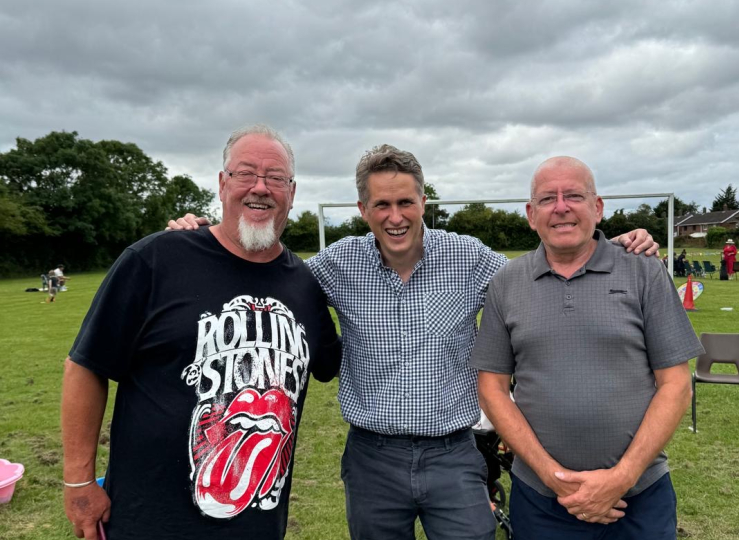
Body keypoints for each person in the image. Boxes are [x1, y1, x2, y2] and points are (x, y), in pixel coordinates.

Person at [169, 146, 659, 540]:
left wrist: (611, 245)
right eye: (381, 204)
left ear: (424, 201)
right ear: (363, 209)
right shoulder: (338, 264)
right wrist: (202, 240)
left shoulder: (467, 256)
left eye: (406, 202)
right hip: (372, 458)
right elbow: (264, 279)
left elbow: (542, 274)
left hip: (455, 454)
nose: (395, 215)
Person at [61, 125, 342, 540]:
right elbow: (86, 366)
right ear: (222, 183)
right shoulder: (156, 259)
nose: (260, 188)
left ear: (292, 192)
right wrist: (78, 482)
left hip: (257, 525)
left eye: (275, 178)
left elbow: (333, 362)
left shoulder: (304, 283)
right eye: (245, 173)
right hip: (149, 521)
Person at [471, 156, 704, 540]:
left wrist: (621, 477)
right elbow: (492, 390)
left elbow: (676, 385)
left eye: (574, 195)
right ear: (531, 214)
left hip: (638, 496)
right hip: (542, 499)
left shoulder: (644, 270)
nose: (561, 207)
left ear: (597, 207)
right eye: (548, 199)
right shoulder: (507, 283)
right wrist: (552, 476)